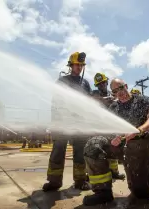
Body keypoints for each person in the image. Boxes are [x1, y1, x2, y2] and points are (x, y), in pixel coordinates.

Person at [82, 78, 149, 206]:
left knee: (140, 194)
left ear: (126, 86)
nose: (119, 92)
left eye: (121, 88)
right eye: (115, 91)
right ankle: (103, 191)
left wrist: (138, 130)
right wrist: (113, 137)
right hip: (121, 147)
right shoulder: (114, 107)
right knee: (93, 145)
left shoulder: (142, 100)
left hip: (139, 146)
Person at [42, 52, 92, 192]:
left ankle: (80, 180)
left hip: (80, 123)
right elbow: (55, 102)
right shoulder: (62, 81)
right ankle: (54, 181)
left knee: (80, 153)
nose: (79, 67)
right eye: (77, 64)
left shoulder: (85, 83)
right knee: (58, 150)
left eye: (81, 65)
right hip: (63, 122)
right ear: (71, 65)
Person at [91, 72, 126, 180]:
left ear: (106, 82)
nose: (101, 86)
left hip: (111, 126)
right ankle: (96, 173)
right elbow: (91, 99)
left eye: (103, 83)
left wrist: (114, 99)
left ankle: (114, 172)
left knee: (112, 148)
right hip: (99, 127)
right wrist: (104, 100)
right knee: (98, 150)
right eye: (99, 84)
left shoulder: (113, 93)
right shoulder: (94, 93)